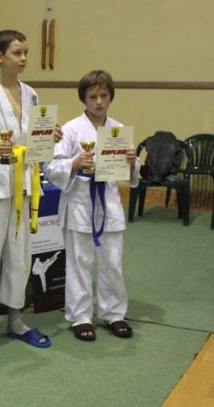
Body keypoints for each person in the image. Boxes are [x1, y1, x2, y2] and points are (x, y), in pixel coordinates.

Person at [0, 29, 61, 356]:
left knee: (20, 256)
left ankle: (15, 319)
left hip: (23, 182)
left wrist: (49, 135)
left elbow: (32, 139)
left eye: (25, 52)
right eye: (17, 53)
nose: (23, 58)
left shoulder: (31, 94)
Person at [43, 70, 139, 341]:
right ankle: (81, 316)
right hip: (79, 202)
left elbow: (131, 175)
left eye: (104, 96)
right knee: (79, 263)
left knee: (112, 262)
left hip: (108, 202)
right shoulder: (70, 130)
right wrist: (74, 163)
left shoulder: (118, 130)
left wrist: (132, 161)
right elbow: (51, 168)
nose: (99, 102)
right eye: (93, 97)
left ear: (111, 97)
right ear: (83, 99)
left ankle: (114, 313)